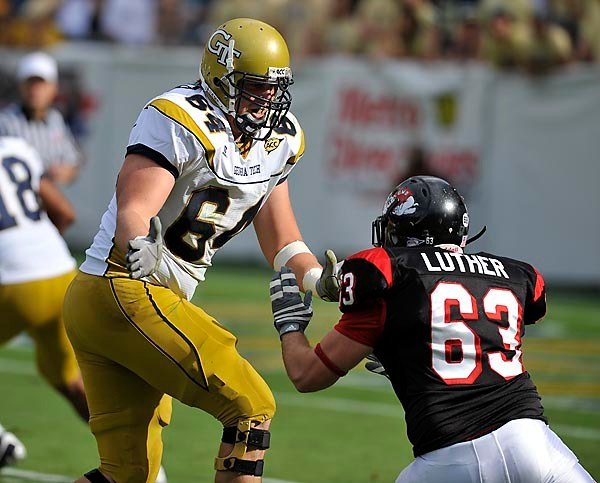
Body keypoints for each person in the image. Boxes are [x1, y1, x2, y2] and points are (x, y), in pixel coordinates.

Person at [62, 17, 338, 483]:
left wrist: (316, 278)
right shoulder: (179, 116)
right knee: (252, 406)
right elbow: (134, 207)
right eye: (253, 87)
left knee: (128, 474)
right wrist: (140, 246)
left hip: (120, 302)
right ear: (220, 77)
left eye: (274, 89)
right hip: (125, 285)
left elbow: (283, 239)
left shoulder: (280, 139)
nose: (267, 100)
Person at [269, 175, 594, 482]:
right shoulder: (513, 274)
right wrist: (410, 352)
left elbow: (307, 375)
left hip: (450, 459)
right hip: (536, 446)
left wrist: (290, 326)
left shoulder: (390, 273)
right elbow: (491, 325)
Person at [0, 135, 88, 467]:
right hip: (61, 274)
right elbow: (64, 212)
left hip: (12, 285)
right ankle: (145, 465)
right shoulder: (15, 147)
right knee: (71, 380)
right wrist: (37, 252)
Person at [0, 51, 82, 184]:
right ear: (21, 86)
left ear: (54, 88)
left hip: (48, 202)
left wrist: (65, 171)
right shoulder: (5, 122)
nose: (35, 90)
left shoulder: (55, 119)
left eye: (41, 83)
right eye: (30, 83)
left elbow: (72, 162)